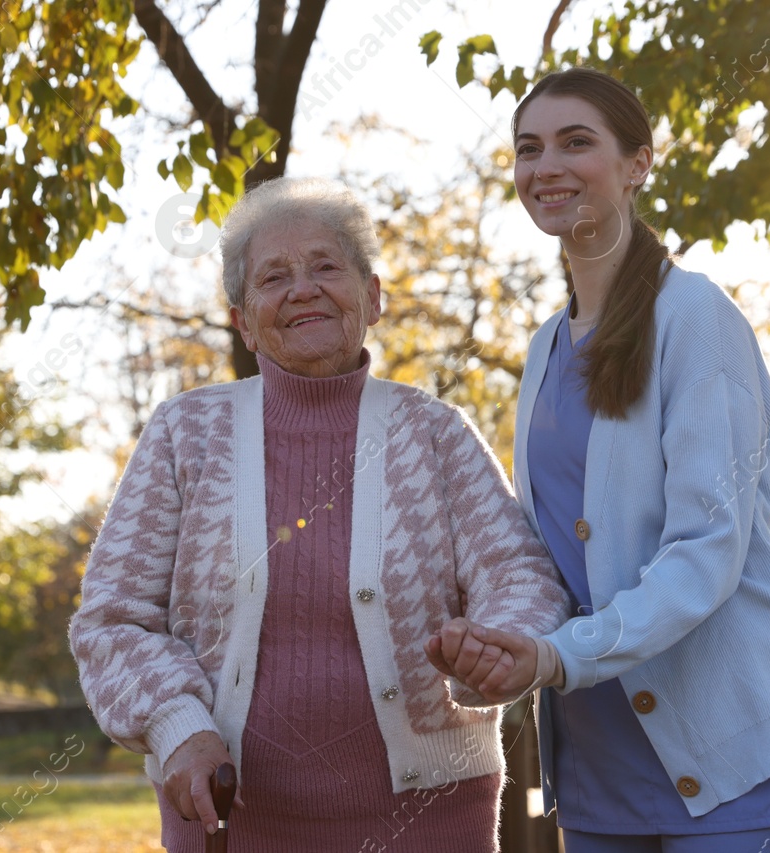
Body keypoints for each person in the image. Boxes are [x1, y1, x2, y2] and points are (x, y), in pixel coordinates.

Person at [69, 176, 571, 852]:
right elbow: (113, 614)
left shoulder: (435, 432)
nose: (302, 288)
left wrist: (497, 645)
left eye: (326, 266)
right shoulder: (185, 433)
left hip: (429, 820)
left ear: (373, 297)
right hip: (230, 820)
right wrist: (178, 725)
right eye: (273, 277)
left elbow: (522, 574)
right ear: (245, 322)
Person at [426, 67, 770, 852]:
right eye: (528, 149)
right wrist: (494, 643)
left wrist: (553, 655)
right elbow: (544, 558)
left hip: (730, 758)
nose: (547, 167)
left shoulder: (697, 316)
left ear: (638, 162)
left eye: (576, 143)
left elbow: (707, 550)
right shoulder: (545, 347)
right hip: (597, 769)